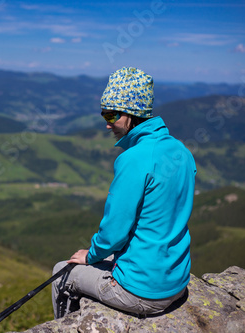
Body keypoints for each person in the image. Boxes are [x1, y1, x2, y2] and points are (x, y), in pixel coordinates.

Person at [52, 67, 196, 318]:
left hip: (142, 292)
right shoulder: (181, 151)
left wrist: (92, 254)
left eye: (111, 115)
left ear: (132, 114)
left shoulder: (133, 159)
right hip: (176, 282)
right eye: (104, 115)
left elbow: (114, 231)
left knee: (61, 271)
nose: (107, 125)